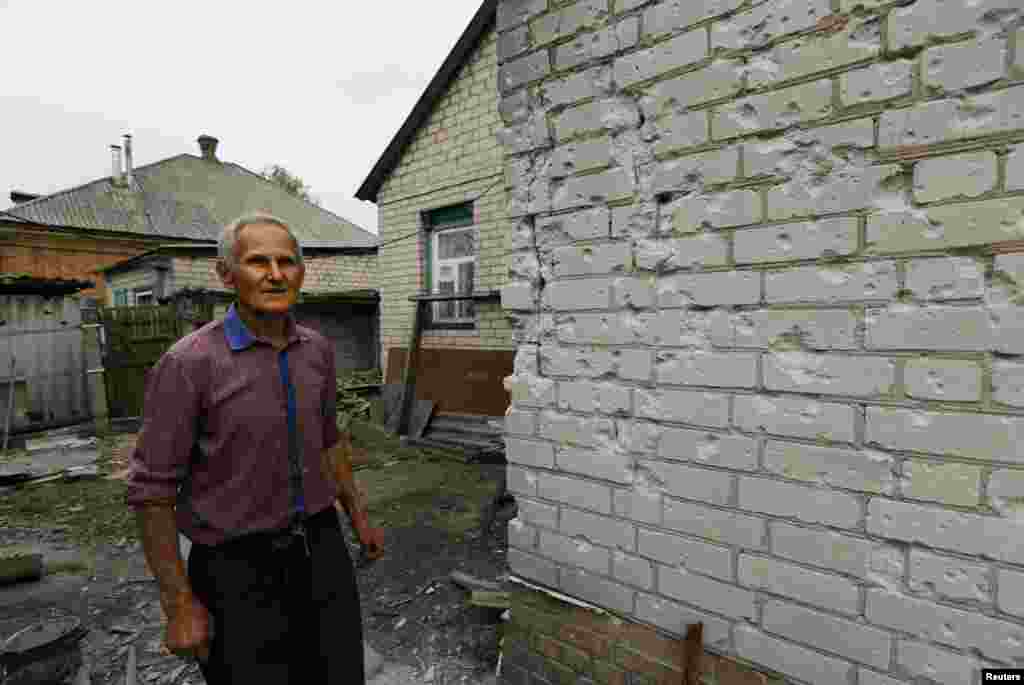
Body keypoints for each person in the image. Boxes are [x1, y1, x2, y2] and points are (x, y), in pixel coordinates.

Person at [126, 213, 384, 684]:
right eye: (257, 261)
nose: (275, 274)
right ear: (226, 274)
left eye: (287, 261)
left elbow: (328, 439)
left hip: (321, 551)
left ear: (302, 272)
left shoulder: (317, 352)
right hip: (235, 569)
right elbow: (151, 491)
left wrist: (358, 516)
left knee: (341, 673)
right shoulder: (188, 365)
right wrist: (179, 605)